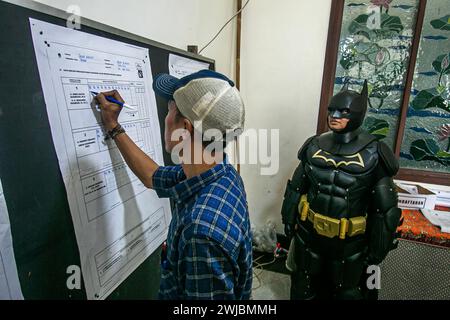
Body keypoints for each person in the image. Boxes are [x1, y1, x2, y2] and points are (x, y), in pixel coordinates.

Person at [96, 69, 252, 300]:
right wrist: (113, 125)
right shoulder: (221, 173)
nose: (165, 117)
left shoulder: (201, 233)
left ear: (185, 128)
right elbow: (152, 176)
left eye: (170, 108)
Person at [281, 81, 402, 300]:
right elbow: (296, 188)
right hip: (309, 236)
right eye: (331, 110)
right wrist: (288, 219)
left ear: (357, 113)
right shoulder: (314, 145)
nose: (334, 115)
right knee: (302, 286)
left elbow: (384, 210)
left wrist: (377, 250)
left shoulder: (375, 152)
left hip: (350, 245)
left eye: (343, 111)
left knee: (349, 293)